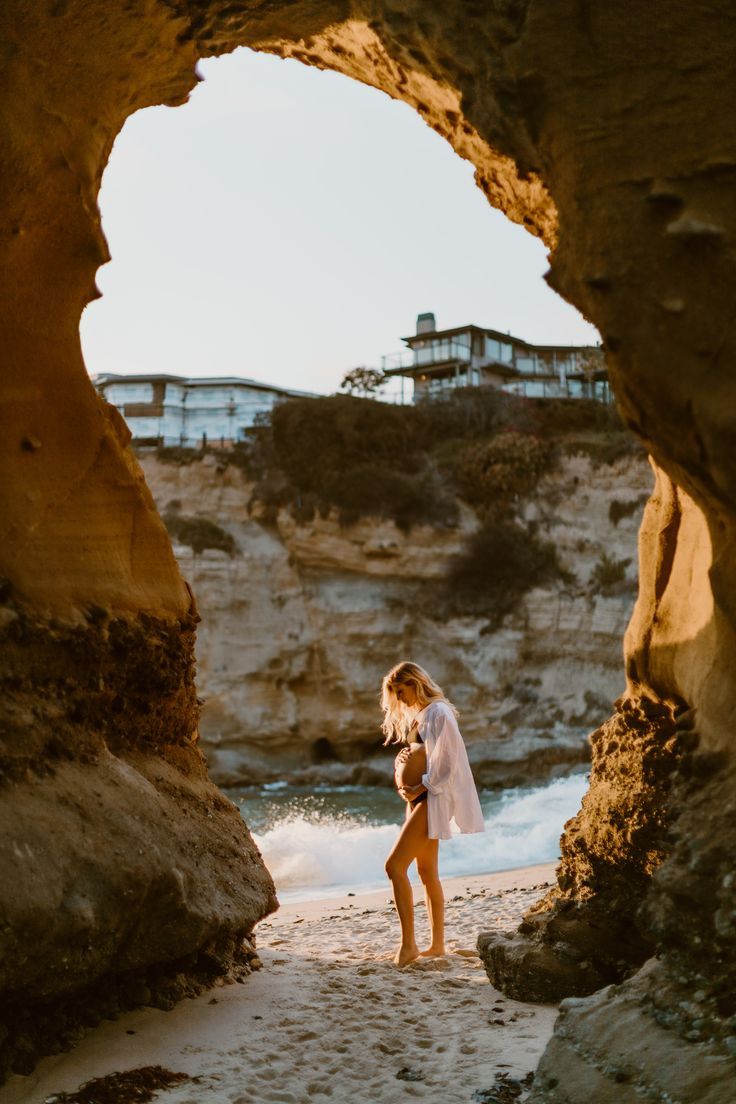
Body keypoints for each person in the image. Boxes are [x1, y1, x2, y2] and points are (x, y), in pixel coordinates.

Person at [381, 661, 485, 966]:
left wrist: (418, 787)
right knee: (427, 873)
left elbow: (448, 761)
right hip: (420, 798)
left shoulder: (439, 712)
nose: (399, 698)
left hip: (431, 798)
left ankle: (408, 946)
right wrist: (402, 765)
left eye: (402, 690)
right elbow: (423, 756)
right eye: (395, 694)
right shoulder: (422, 715)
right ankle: (437, 945)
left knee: (394, 866)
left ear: (417, 682)